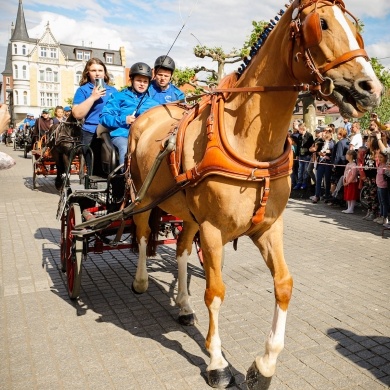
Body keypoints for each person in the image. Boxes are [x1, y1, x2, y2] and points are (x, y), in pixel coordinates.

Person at [99, 62, 159, 167]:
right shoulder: (118, 96)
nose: (142, 84)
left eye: (145, 81)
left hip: (145, 137)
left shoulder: (154, 103)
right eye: (139, 80)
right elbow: (104, 117)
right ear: (131, 80)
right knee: (126, 148)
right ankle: (126, 179)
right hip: (123, 135)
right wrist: (124, 120)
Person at [72, 57, 117, 171]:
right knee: (95, 168)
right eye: (93, 70)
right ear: (88, 73)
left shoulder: (113, 91)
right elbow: (77, 114)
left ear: (105, 73)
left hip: (110, 131)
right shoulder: (83, 90)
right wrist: (93, 97)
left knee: (113, 163)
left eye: (100, 70)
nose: (97, 74)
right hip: (90, 133)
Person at [311, 127, 334, 203]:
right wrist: (319, 153)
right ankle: (317, 195)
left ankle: (327, 195)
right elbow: (316, 151)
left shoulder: (332, 143)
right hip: (320, 163)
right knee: (318, 180)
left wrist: (328, 154)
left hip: (327, 163)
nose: (325, 134)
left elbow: (333, 152)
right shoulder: (321, 143)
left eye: (327, 132)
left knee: (327, 180)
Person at [292, 122, 314, 190]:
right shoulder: (299, 136)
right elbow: (298, 146)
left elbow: (310, 145)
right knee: (300, 169)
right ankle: (299, 182)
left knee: (305, 170)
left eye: (300, 129)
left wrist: (308, 153)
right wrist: (297, 155)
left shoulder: (309, 136)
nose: (299, 131)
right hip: (301, 155)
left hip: (307, 155)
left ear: (303, 129)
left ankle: (304, 183)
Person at [373, 152, 389, 225]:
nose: (379, 159)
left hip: (383, 186)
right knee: (380, 202)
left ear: (386, 158)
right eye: (378, 157)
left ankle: (385, 217)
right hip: (379, 186)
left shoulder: (386, 166)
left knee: (384, 202)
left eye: (381, 157)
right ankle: (381, 216)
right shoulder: (380, 165)